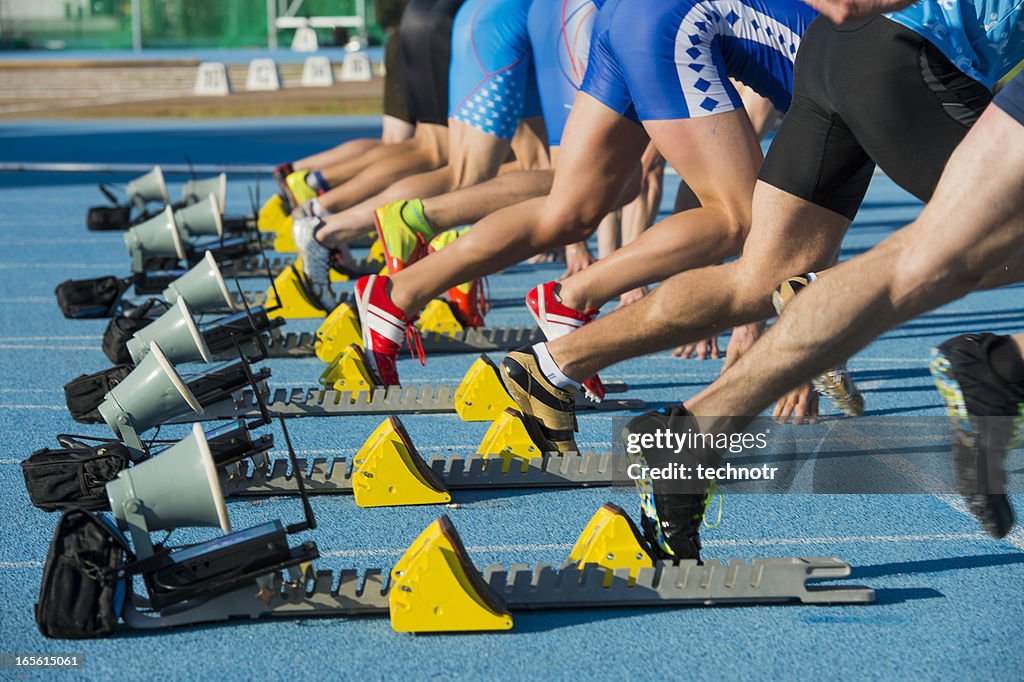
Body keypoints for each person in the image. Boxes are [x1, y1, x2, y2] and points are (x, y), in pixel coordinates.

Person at [502, 1, 1024, 561]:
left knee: (759, 276)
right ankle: (976, 359)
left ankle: (554, 364)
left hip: (835, 51)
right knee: (949, 252)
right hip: (905, 55)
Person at [353, 0, 818, 388]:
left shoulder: (855, 45)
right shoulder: (863, 74)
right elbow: (802, 224)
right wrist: (803, 354)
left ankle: (395, 294)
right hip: (661, 21)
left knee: (571, 209)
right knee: (742, 218)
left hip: (623, 16)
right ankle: (573, 295)